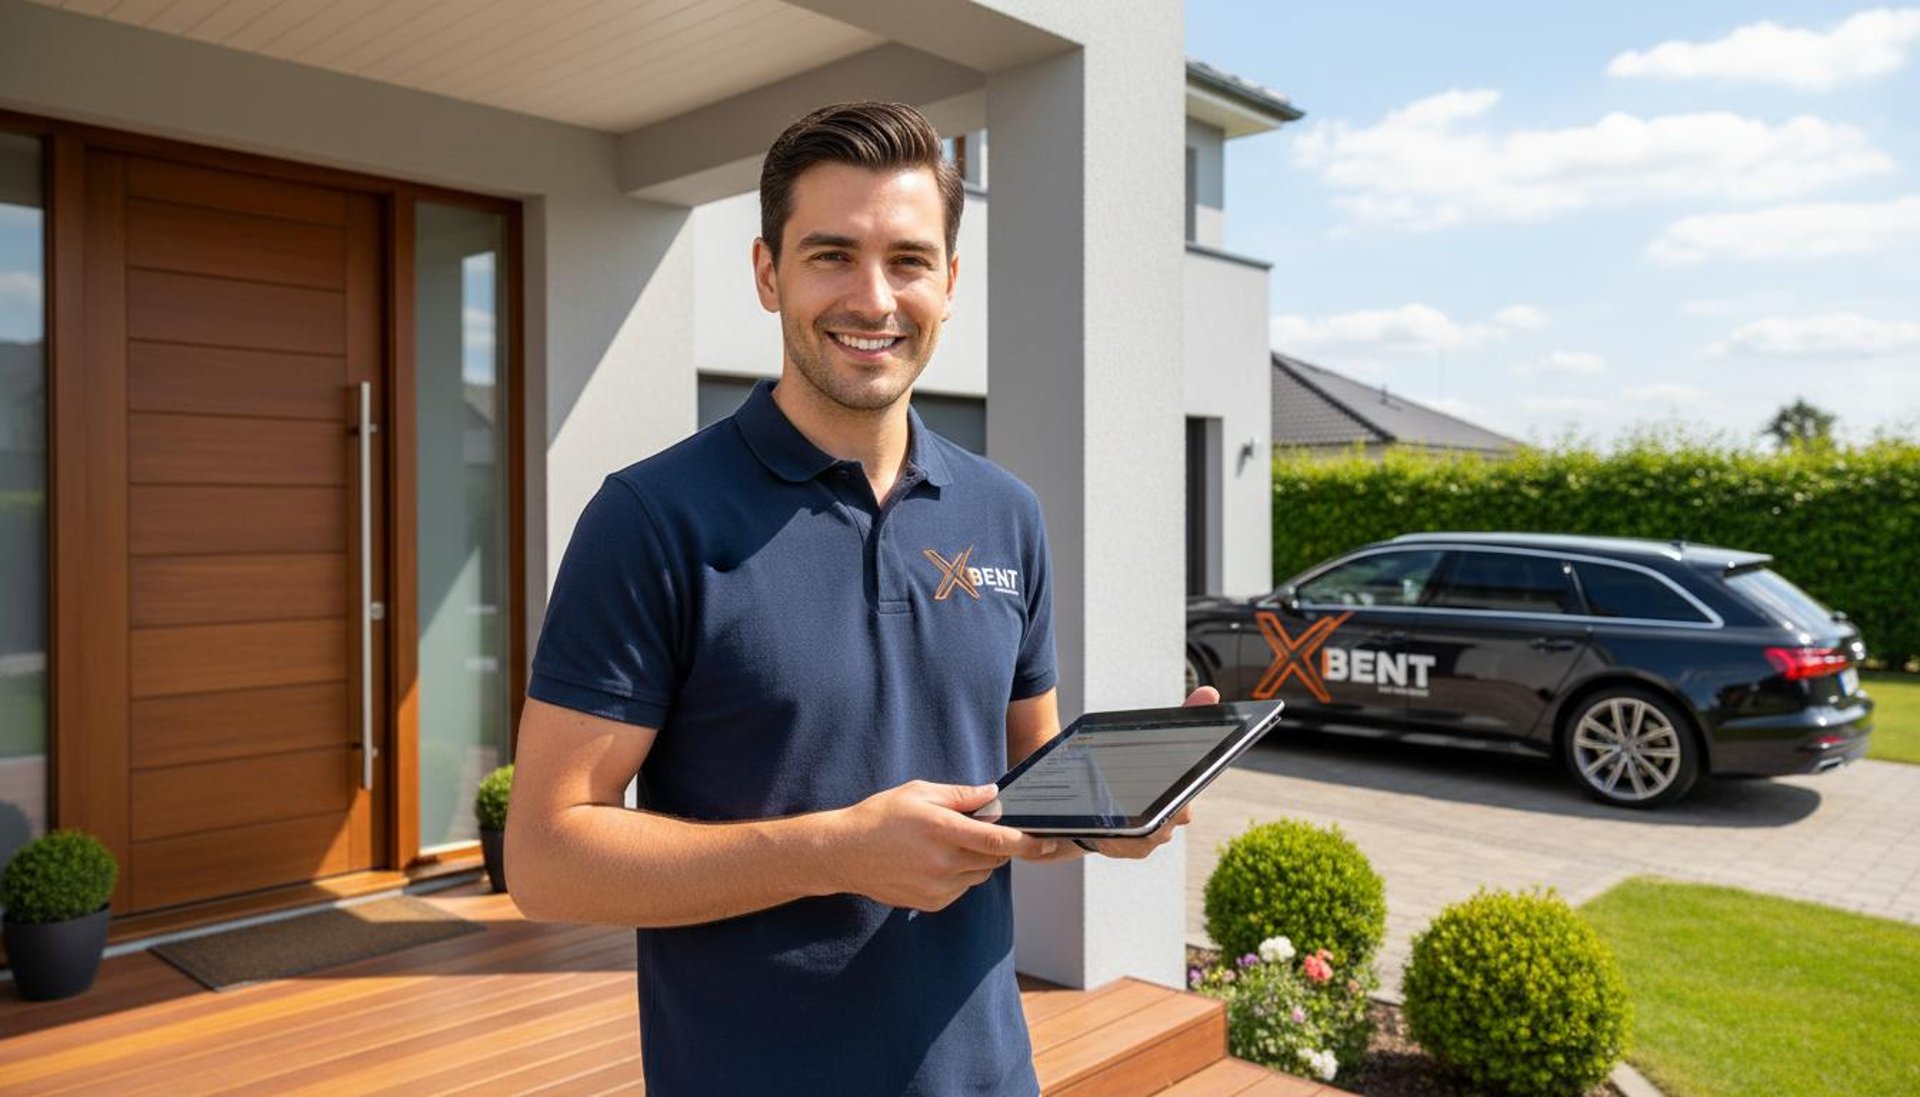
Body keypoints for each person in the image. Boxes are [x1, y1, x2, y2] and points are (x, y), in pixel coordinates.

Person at [506, 101, 1209, 1096]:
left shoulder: (1005, 513)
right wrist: (837, 850)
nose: (874, 298)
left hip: (989, 1074)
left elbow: (1022, 781)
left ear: (951, 284)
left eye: (909, 260)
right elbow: (545, 856)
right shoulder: (651, 518)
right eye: (832, 254)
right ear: (767, 274)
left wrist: (1108, 812)